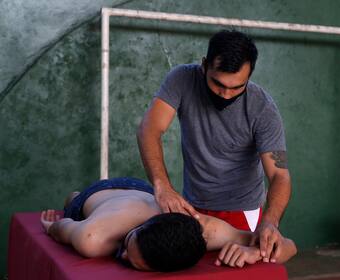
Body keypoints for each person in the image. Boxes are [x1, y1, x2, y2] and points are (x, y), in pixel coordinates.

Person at [137, 30, 291, 263]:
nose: (227, 94)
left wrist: (270, 221)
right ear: (204, 65)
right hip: (190, 207)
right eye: (218, 84)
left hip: (242, 212)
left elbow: (280, 174)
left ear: (249, 76)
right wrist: (162, 186)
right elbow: (149, 129)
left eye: (237, 87)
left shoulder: (264, 109)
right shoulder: (182, 79)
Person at [40, 177, 296, 272]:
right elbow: (64, 229)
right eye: (130, 244)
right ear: (139, 230)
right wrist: (51, 227)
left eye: (133, 262)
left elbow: (289, 247)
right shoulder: (93, 238)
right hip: (101, 197)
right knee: (74, 204)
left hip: (145, 192)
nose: (125, 254)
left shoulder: (203, 229)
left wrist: (257, 251)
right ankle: (74, 196)